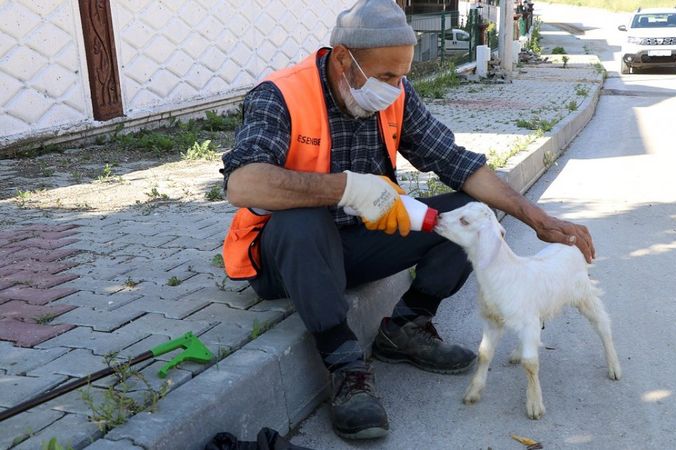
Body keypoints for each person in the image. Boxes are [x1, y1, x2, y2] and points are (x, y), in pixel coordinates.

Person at [221, 0, 595, 441]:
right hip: (285, 257)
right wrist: (348, 188)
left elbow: (454, 160)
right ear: (343, 57)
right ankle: (345, 365)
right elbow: (242, 184)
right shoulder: (280, 95)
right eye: (385, 77)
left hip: (351, 245)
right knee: (301, 221)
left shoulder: (393, 93)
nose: (395, 88)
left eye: (402, 76)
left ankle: (406, 327)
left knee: (468, 215)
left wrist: (536, 217)